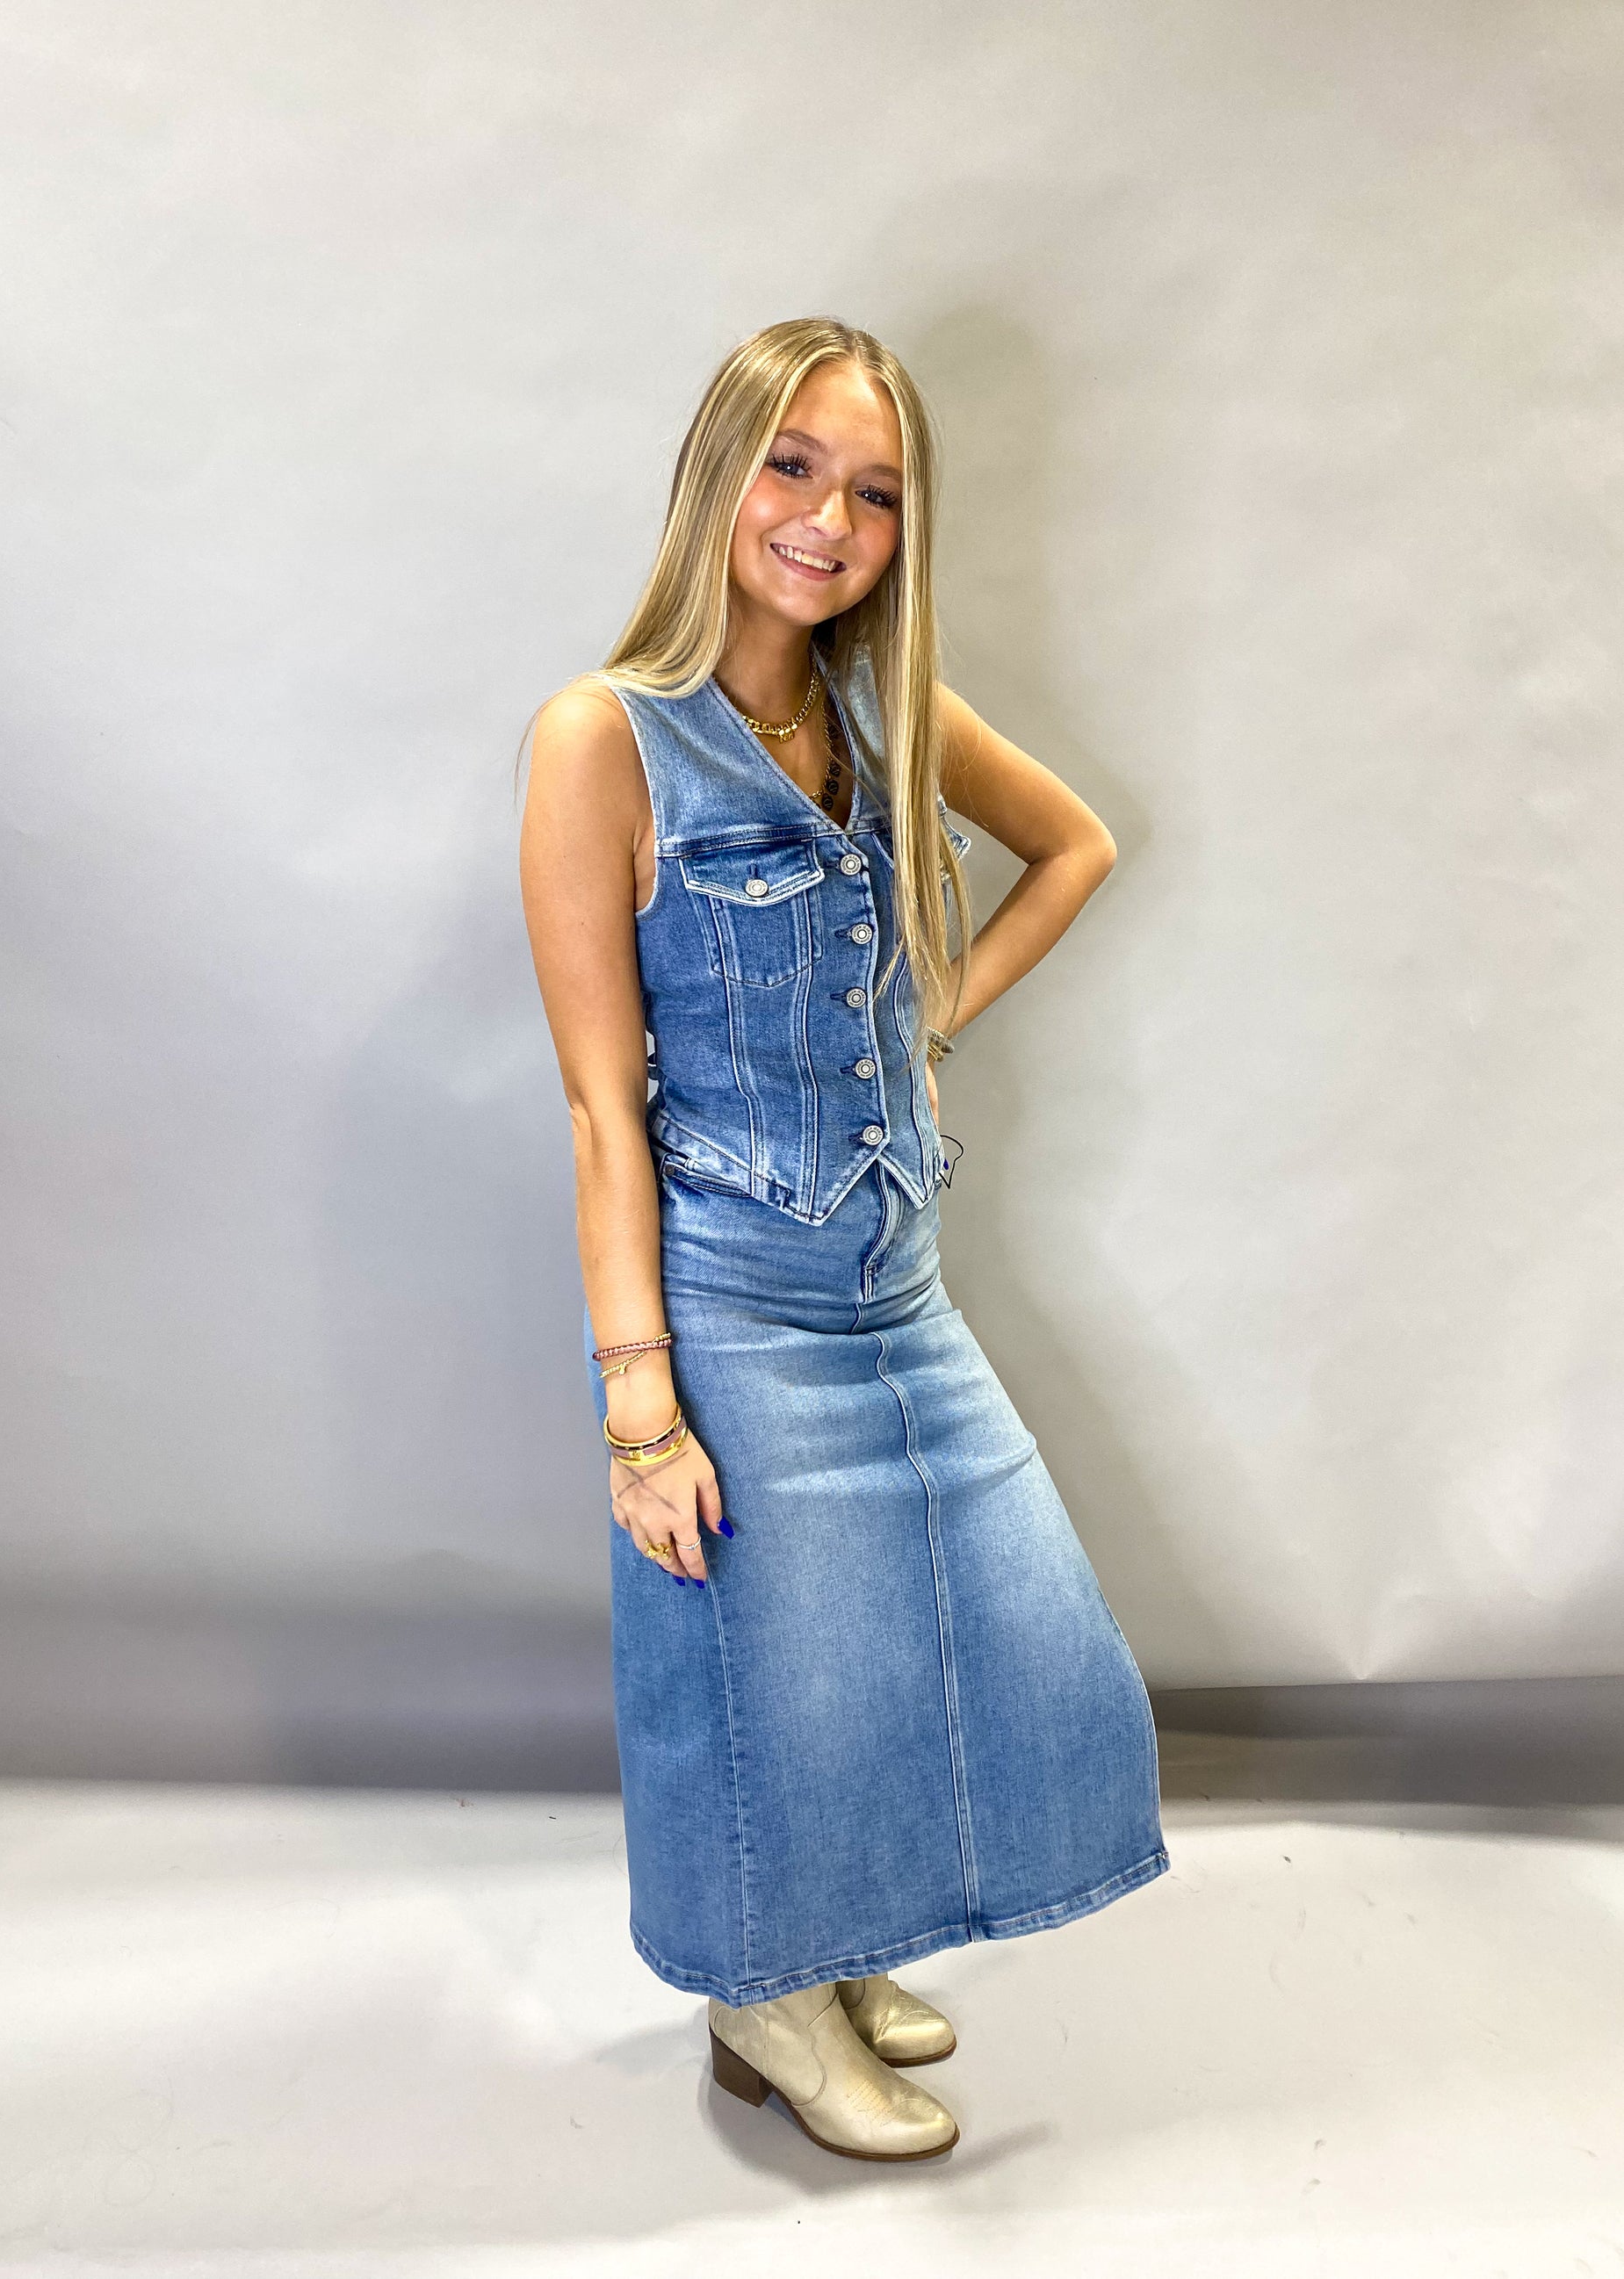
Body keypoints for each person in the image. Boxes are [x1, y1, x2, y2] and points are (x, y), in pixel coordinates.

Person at [518, 316, 1168, 2163]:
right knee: (768, 1673)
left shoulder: (884, 710)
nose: (829, 519)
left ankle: (835, 1940)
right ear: (718, 477)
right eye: (793, 467)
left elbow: (1075, 845)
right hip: (729, 1300)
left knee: (962, 1641)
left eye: (874, 491)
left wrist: (924, 1012)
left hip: (895, 1283)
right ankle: (764, 1994)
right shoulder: (605, 740)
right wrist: (639, 1406)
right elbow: (599, 1110)